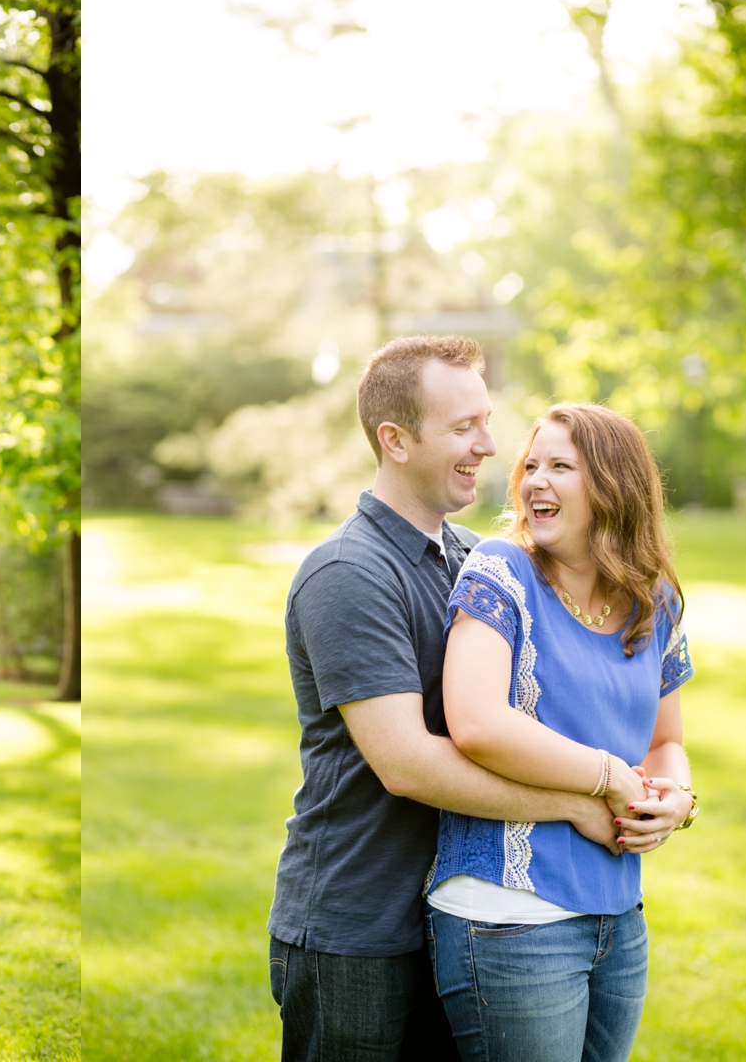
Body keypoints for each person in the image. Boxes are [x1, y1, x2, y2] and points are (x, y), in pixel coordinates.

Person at [267, 335, 627, 1062]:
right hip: (358, 928)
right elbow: (407, 764)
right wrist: (576, 802)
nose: (491, 446)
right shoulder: (347, 573)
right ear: (394, 439)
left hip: (461, 918)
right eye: (464, 427)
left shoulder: (474, 560)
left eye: (487, 422)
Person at [425, 403, 696, 1061]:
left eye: (561, 467)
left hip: (618, 916)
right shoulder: (501, 572)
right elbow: (478, 722)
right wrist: (607, 775)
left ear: (613, 485)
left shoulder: (652, 601)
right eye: (531, 466)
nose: (534, 482)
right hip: (511, 917)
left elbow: (666, 742)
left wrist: (677, 802)